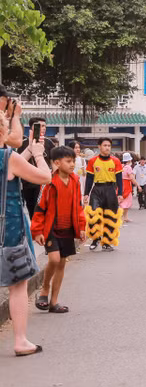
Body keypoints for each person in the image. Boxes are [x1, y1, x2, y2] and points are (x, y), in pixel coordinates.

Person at [1, 110, 51, 356]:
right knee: (18, 284)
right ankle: (20, 340)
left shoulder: (10, 158)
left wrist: (28, 151)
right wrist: (39, 156)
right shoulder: (7, 157)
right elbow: (45, 177)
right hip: (8, 230)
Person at [31, 145, 85, 314]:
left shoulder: (75, 181)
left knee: (61, 263)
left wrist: (82, 227)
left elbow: (79, 206)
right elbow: (40, 208)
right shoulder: (48, 183)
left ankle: (54, 302)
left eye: (73, 161)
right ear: (56, 163)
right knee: (54, 260)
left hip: (68, 229)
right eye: (68, 161)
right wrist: (37, 230)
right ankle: (45, 289)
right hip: (51, 228)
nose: (72, 165)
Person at [83, 138, 124, 251]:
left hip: (110, 189)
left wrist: (120, 193)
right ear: (99, 147)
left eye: (109, 146)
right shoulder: (93, 161)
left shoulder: (115, 161)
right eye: (105, 145)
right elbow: (89, 179)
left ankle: (106, 242)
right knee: (94, 216)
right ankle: (95, 239)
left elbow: (119, 179)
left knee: (110, 216)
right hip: (97, 190)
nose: (107, 148)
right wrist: (86, 193)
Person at [17, 116, 54, 217]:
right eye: (40, 126)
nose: (43, 128)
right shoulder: (23, 143)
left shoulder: (49, 142)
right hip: (28, 182)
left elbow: (53, 162)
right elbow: (19, 161)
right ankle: (34, 230)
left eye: (45, 126)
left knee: (43, 210)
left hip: (44, 182)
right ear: (32, 128)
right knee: (31, 210)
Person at [120, 152, 135, 223]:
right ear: (129, 161)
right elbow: (131, 178)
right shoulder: (128, 167)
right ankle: (123, 217)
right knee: (126, 202)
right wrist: (137, 185)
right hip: (127, 185)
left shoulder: (121, 166)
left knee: (123, 201)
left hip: (121, 184)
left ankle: (125, 217)